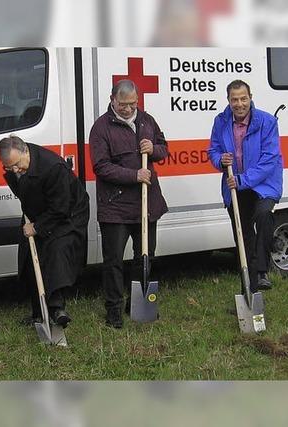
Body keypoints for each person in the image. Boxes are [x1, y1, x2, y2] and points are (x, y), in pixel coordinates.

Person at [89, 79, 169, 329]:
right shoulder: (101, 128)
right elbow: (101, 167)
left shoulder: (147, 120)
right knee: (113, 262)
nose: (128, 109)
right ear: (113, 99)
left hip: (147, 204)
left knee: (145, 256)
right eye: (123, 104)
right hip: (116, 207)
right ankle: (113, 308)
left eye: (133, 104)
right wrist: (134, 176)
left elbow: (164, 149)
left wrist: (153, 148)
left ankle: (136, 302)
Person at [0, 135, 89, 328]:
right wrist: (32, 221)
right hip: (38, 212)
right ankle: (38, 313)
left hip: (68, 215)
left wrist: (37, 227)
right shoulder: (16, 166)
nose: (14, 170)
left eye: (17, 164)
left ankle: (57, 309)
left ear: (25, 152)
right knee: (30, 258)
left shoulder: (53, 167)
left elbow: (61, 208)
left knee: (55, 252)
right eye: (9, 167)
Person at [208, 79, 283, 293]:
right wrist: (220, 160)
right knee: (243, 240)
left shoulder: (267, 122)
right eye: (234, 99)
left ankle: (261, 271)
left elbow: (269, 160)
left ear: (250, 97)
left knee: (263, 215)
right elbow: (212, 150)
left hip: (263, 185)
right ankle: (249, 295)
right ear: (228, 101)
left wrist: (243, 180)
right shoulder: (221, 122)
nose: (239, 104)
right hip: (234, 186)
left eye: (243, 98)